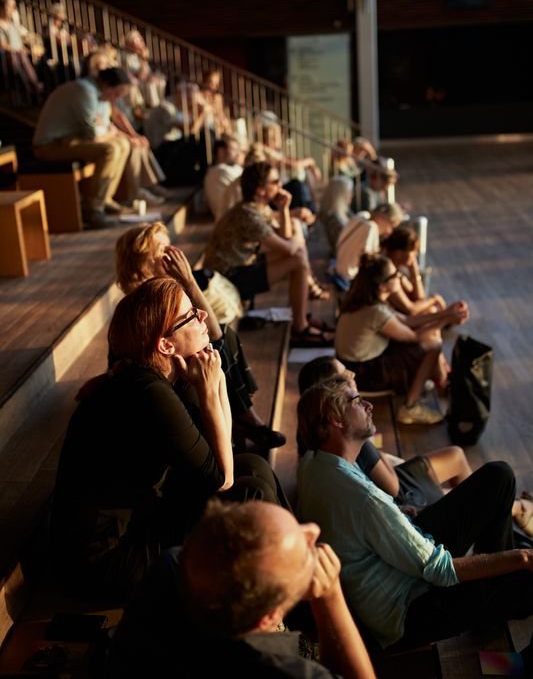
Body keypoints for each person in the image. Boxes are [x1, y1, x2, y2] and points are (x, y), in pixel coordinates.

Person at [50, 277, 288, 595]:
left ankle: (295, 570)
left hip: (143, 517)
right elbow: (222, 478)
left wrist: (215, 380)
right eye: (191, 315)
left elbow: (227, 450)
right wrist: (211, 389)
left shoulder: (165, 376)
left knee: (253, 467)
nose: (203, 315)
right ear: (165, 344)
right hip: (109, 557)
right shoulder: (146, 391)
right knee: (250, 495)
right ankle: (283, 591)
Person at [296, 376, 533, 657]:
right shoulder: (365, 499)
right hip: (408, 610)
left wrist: (396, 514)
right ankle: (499, 591)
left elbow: (357, 522)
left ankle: (495, 588)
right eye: (357, 401)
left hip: (395, 568)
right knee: (525, 576)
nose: (368, 405)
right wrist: (521, 558)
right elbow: (440, 571)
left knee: (498, 477)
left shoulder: (313, 462)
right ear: (335, 419)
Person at [106, 498, 377, 678]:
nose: (313, 530)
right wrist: (330, 596)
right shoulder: (283, 670)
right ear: (270, 618)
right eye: (305, 550)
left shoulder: (171, 566)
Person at [114, 222, 286, 451]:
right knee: (215, 347)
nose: (173, 254)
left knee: (225, 336)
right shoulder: (145, 304)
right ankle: (241, 423)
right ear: (143, 262)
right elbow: (212, 335)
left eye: (171, 246)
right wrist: (188, 280)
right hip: (164, 377)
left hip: (175, 364)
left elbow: (214, 330)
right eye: (164, 250)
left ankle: (244, 419)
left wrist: (188, 280)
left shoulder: (166, 290)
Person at [297, 356, 472, 511]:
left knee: (455, 458)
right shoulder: (348, 440)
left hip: (389, 484)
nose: (352, 375)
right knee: (463, 471)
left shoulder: (312, 433)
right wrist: (371, 443)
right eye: (344, 375)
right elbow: (393, 487)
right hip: (401, 496)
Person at [203, 161, 333, 348]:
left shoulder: (258, 208)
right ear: (261, 190)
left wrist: (284, 209)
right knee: (297, 258)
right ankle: (300, 327)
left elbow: (285, 238)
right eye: (275, 181)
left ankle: (301, 321)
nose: (281, 185)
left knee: (298, 257)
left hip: (240, 266)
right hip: (227, 279)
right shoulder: (248, 214)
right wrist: (298, 233)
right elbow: (289, 247)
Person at [335, 253, 469, 424]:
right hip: (364, 375)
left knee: (428, 335)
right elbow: (414, 336)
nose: (399, 276)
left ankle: (437, 380)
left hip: (352, 365)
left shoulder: (367, 300)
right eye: (394, 275)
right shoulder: (376, 311)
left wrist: (446, 313)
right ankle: (410, 407)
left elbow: (407, 320)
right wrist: (446, 319)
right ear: (383, 286)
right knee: (434, 345)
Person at [32, 66, 132, 229]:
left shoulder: (100, 94)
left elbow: (103, 127)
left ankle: (105, 199)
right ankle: (93, 209)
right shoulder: (84, 90)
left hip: (70, 140)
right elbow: (93, 134)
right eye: (115, 94)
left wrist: (105, 129)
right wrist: (107, 130)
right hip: (49, 145)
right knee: (110, 149)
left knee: (123, 144)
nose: (115, 99)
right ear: (106, 84)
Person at [81, 50, 168, 207]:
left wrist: (134, 135)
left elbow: (117, 116)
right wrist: (128, 137)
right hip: (97, 137)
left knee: (139, 142)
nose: (106, 68)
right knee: (129, 144)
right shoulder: (92, 91)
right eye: (101, 65)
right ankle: (136, 191)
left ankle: (149, 185)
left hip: (106, 133)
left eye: (107, 64)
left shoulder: (104, 91)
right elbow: (107, 124)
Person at [380, 225, 446, 315]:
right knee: (430, 311)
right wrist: (434, 299)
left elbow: (419, 298)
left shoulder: (397, 270)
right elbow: (411, 310)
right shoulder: (386, 272)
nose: (416, 255)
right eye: (414, 251)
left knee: (430, 310)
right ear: (399, 253)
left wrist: (414, 272)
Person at [335, 202, 404, 284]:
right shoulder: (371, 228)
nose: (389, 232)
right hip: (349, 276)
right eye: (391, 226)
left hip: (338, 267)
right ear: (384, 218)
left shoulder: (362, 215)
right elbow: (368, 260)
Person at [0, 0, 42, 102]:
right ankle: (33, 89)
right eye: (9, 6)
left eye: (13, 7)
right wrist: (20, 50)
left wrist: (34, 43)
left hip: (19, 54)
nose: (12, 9)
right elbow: (3, 45)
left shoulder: (13, 25)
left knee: (26, 56)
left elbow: (27, 36)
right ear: (1, 7)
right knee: (18, 58)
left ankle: (33, 89)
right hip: (6, 56)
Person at [203, 136, 244, 220]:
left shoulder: (217, 171)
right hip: (233, 218)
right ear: (220, 151)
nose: (238, 153)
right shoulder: (221, 171)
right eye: (233, 149)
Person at [319, 175, 354, 257]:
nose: (351, 195)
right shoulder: (332, 219)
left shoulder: (346, 212)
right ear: (341, 195)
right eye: (349, 192)